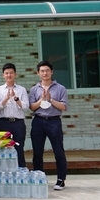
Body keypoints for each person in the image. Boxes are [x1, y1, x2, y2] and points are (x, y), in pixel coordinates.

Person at [29, 60, 68, 191]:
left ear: (52, 72)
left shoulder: (60, 88)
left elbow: (63, 106)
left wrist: (50, 99)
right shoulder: (34, 89)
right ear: (38, 73)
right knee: (37, 152)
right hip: (38, 121)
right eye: (42, 71)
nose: (45, 73)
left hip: (54, 121)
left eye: (47, 70)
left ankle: (61, 180)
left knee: (58, 151)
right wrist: (41, 100)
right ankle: (39, 179)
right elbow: (31, 107)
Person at [0, 63, 30, 168]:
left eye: (11, 73)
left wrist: (16, 99)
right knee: (4, 147)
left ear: (15, 74)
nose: (9, 75)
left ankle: (21, 170)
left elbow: (26, 107)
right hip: (4, 122)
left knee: (19, 147)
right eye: (6, 73)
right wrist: (6, 98)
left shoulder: (21, 89)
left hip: (18, 123)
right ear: (3, 75)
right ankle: (4, 170)